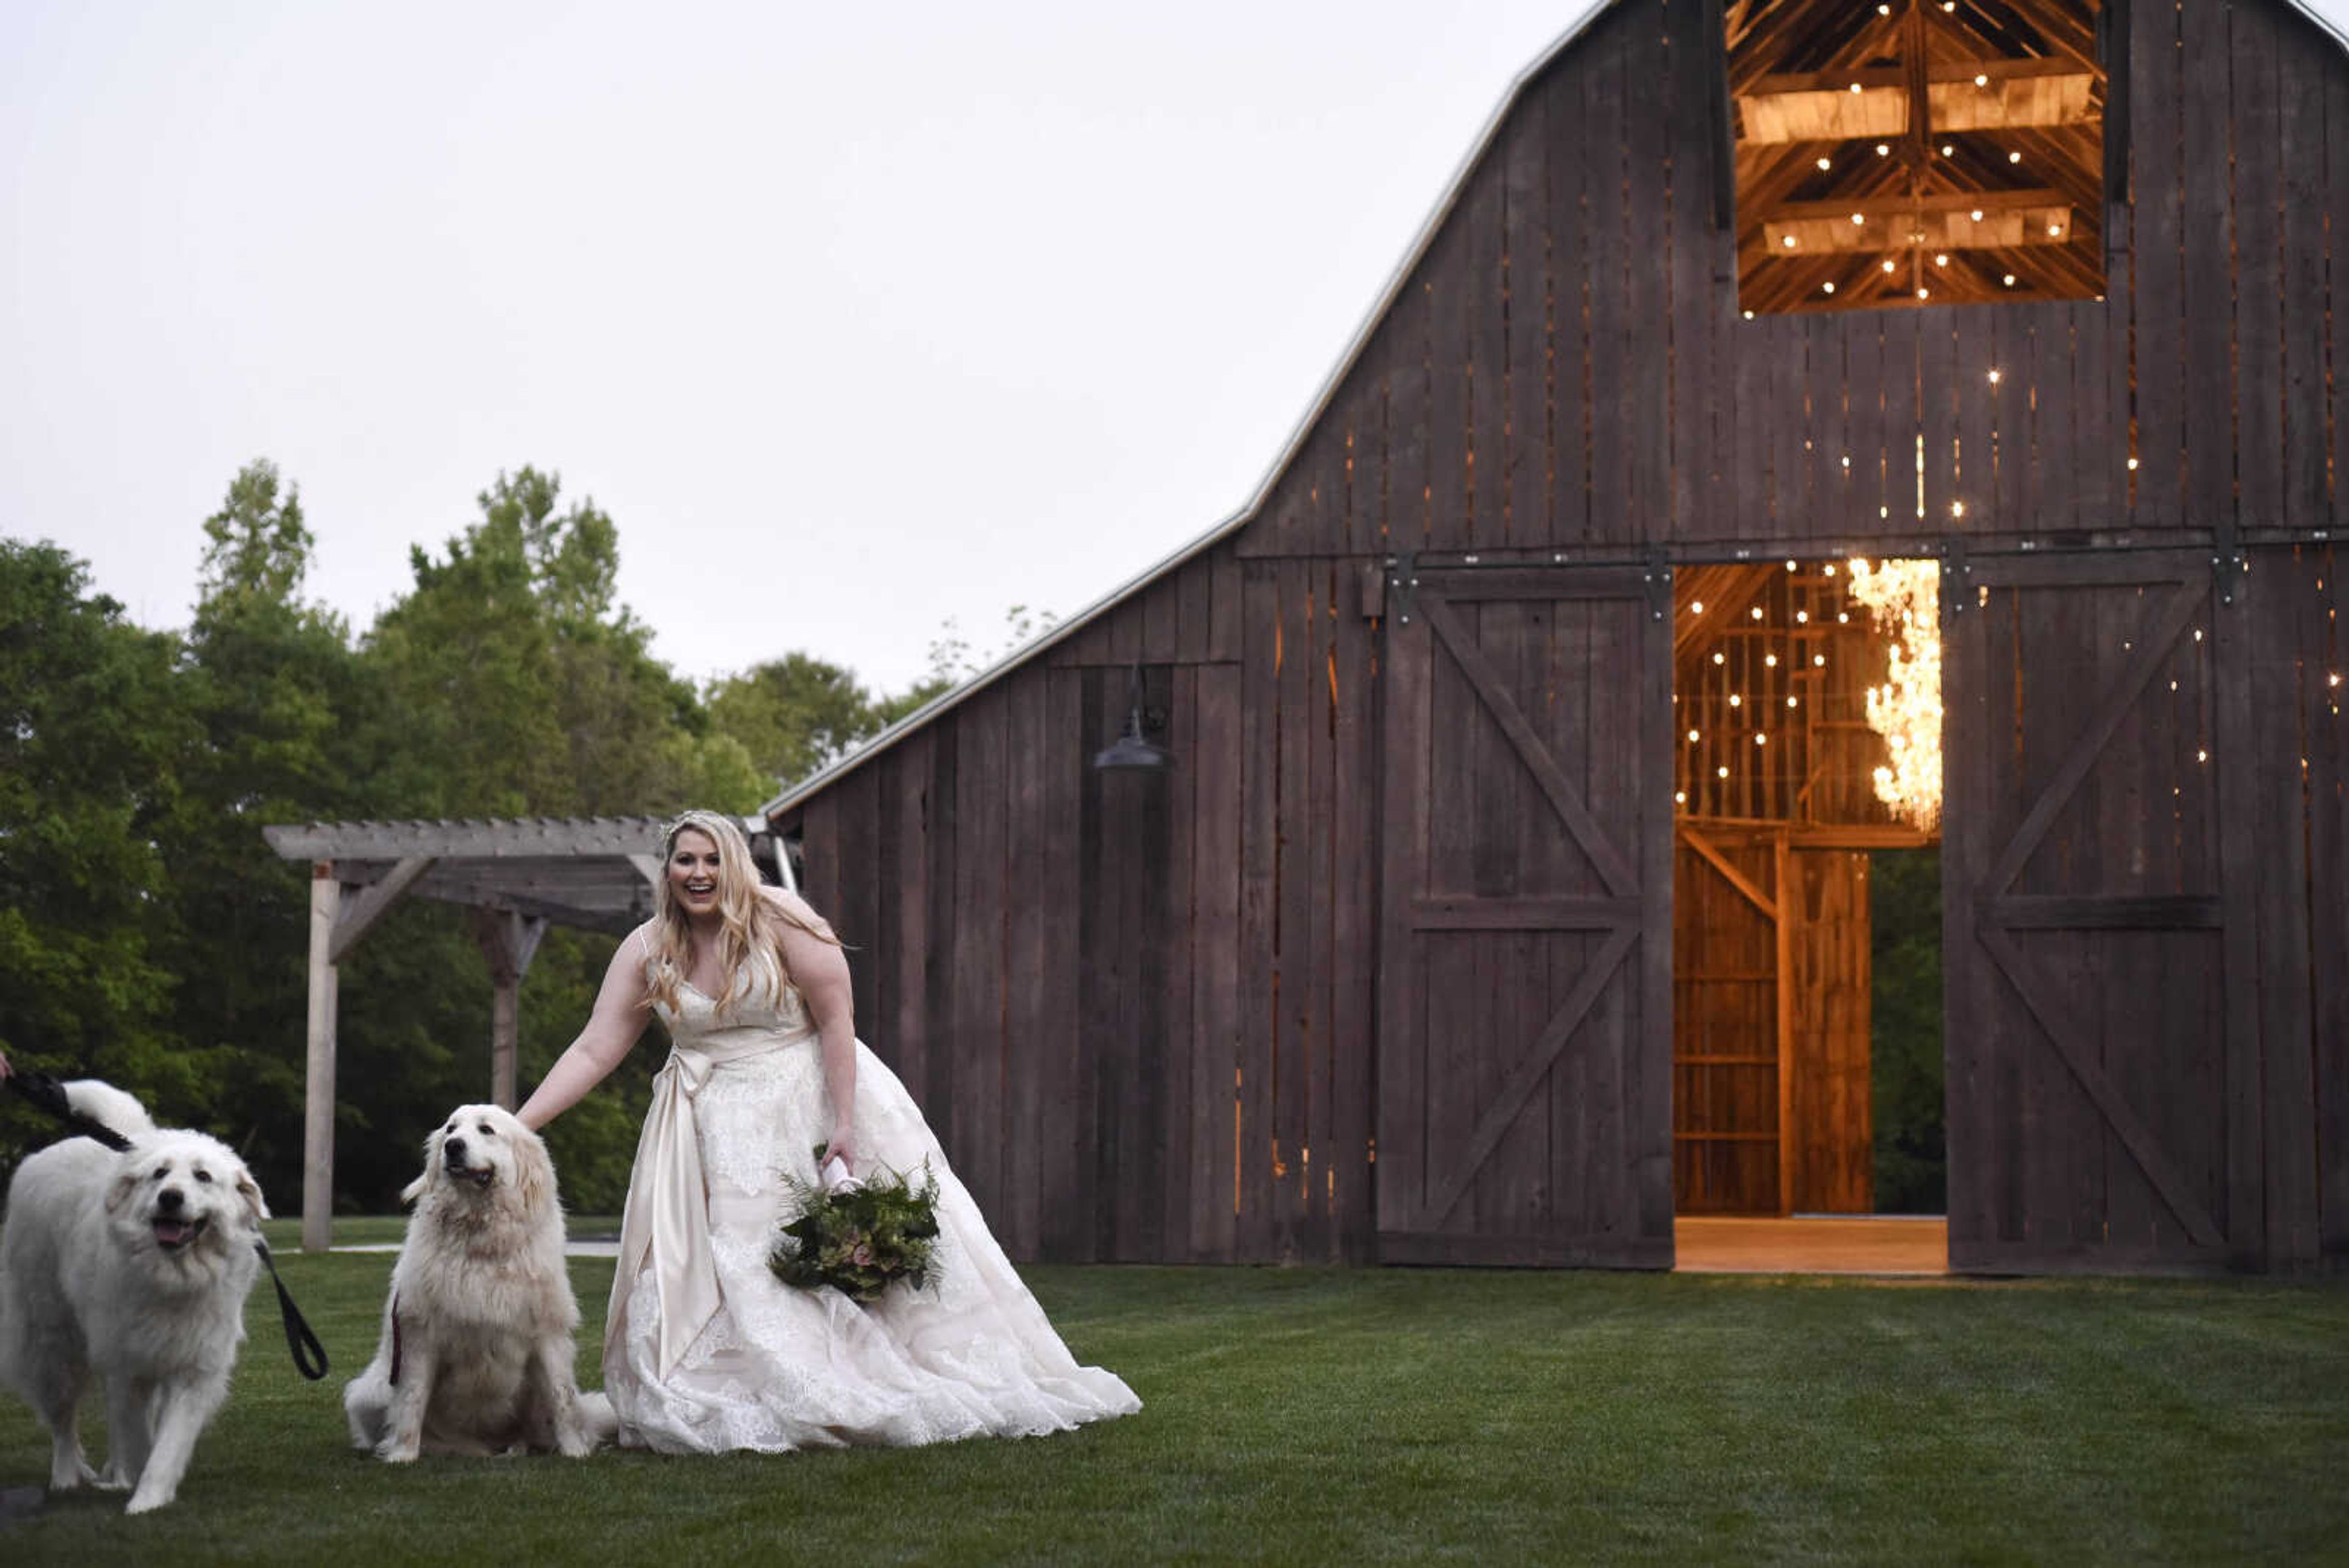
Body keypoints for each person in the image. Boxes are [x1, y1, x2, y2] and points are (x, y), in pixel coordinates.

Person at [518, 809, 1138, 1453]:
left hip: (803, 1101)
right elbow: (595, 1049)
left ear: (735, 863)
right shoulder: (647, 948)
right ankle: (732, 1382)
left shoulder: (781, 919)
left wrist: (843, 1124)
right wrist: (516, 1125)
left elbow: (836, 1018)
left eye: (711, 860)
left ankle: (856, 1368)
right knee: (724, 1264)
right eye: (685, 860)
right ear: (668, 870)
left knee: (806, 1254)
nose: (698, 873)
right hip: (705, 1128)